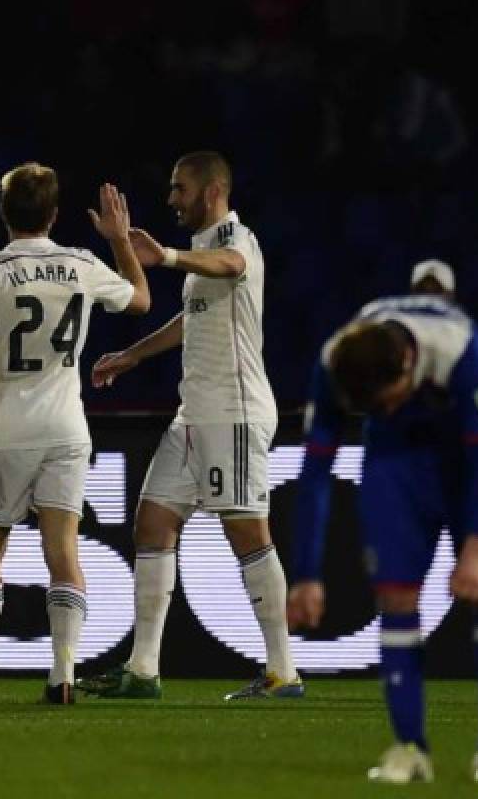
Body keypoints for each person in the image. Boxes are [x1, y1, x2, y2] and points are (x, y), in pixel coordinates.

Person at [78, 151, 301, 701]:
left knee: (247, 532)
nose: (171, 198)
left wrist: (169, 256)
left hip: (235, 410)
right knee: (152, 524)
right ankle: (144, 670)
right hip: (194, 414)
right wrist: (132, 355)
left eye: (180, 188)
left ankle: (282, 672)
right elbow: (192, 317)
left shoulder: (235, 238)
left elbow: (234, 266)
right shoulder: (203, 250)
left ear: (212, 190)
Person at [0, 164, 149, 704]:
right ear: (54, 214)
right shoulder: (80, 263)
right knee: (63, 550)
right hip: (66, 429)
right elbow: (141, 299)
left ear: (4, 213)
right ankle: (63, 674)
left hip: (5, 429)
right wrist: (121, 241)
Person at [287, 295, 478, 786]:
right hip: (398, 461)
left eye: (389, 397)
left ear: (409, 362)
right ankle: (410, 747)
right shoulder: (335, 363)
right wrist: (306, 574)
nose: (387, 408)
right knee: (395, 595)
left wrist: (476, 553)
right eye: (375, 407)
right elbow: (314, 471)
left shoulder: (460, 353)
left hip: (475, 455)